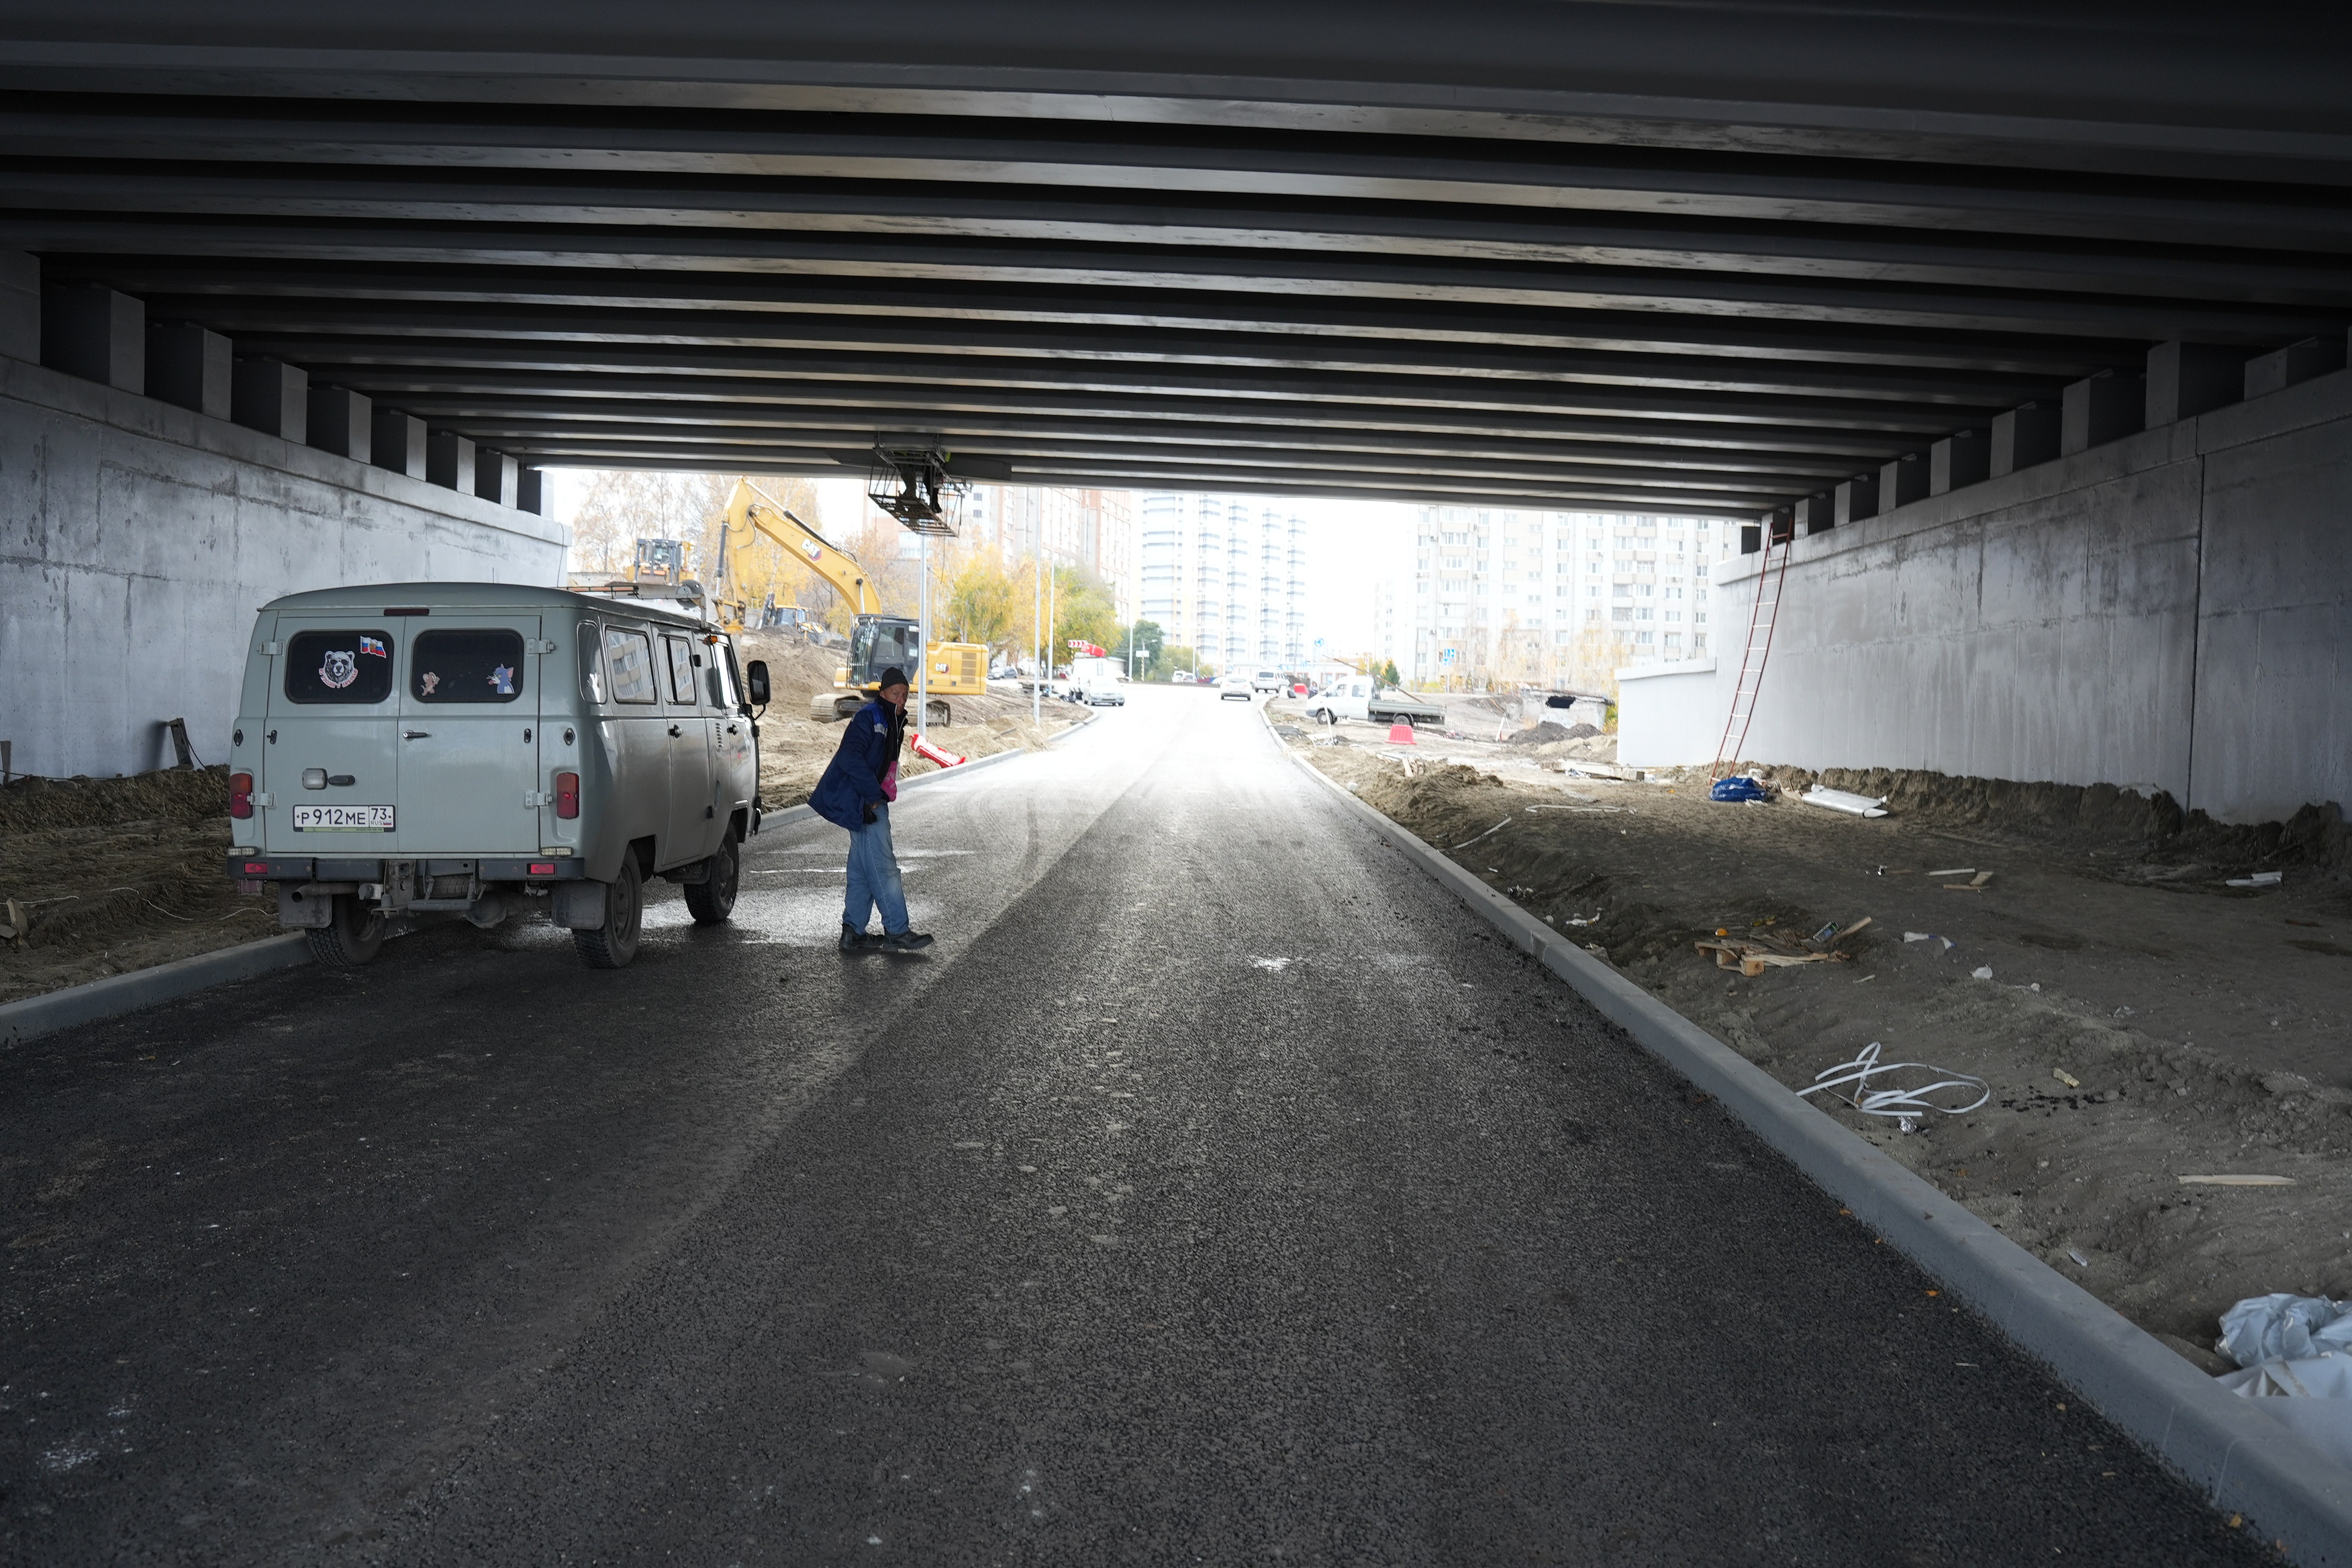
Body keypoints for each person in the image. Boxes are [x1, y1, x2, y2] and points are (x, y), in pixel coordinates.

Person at [808, 667, 935, 952]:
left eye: (904, 695)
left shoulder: (891, 720)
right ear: (882, 693)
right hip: (866, 803)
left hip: (868, 799)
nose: (901, 699)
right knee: (884, 868)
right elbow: (849, 756)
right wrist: (873, 794)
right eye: (895, 694)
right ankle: (897, 931)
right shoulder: (871, 717)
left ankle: (853, 932)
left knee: (861, 872)